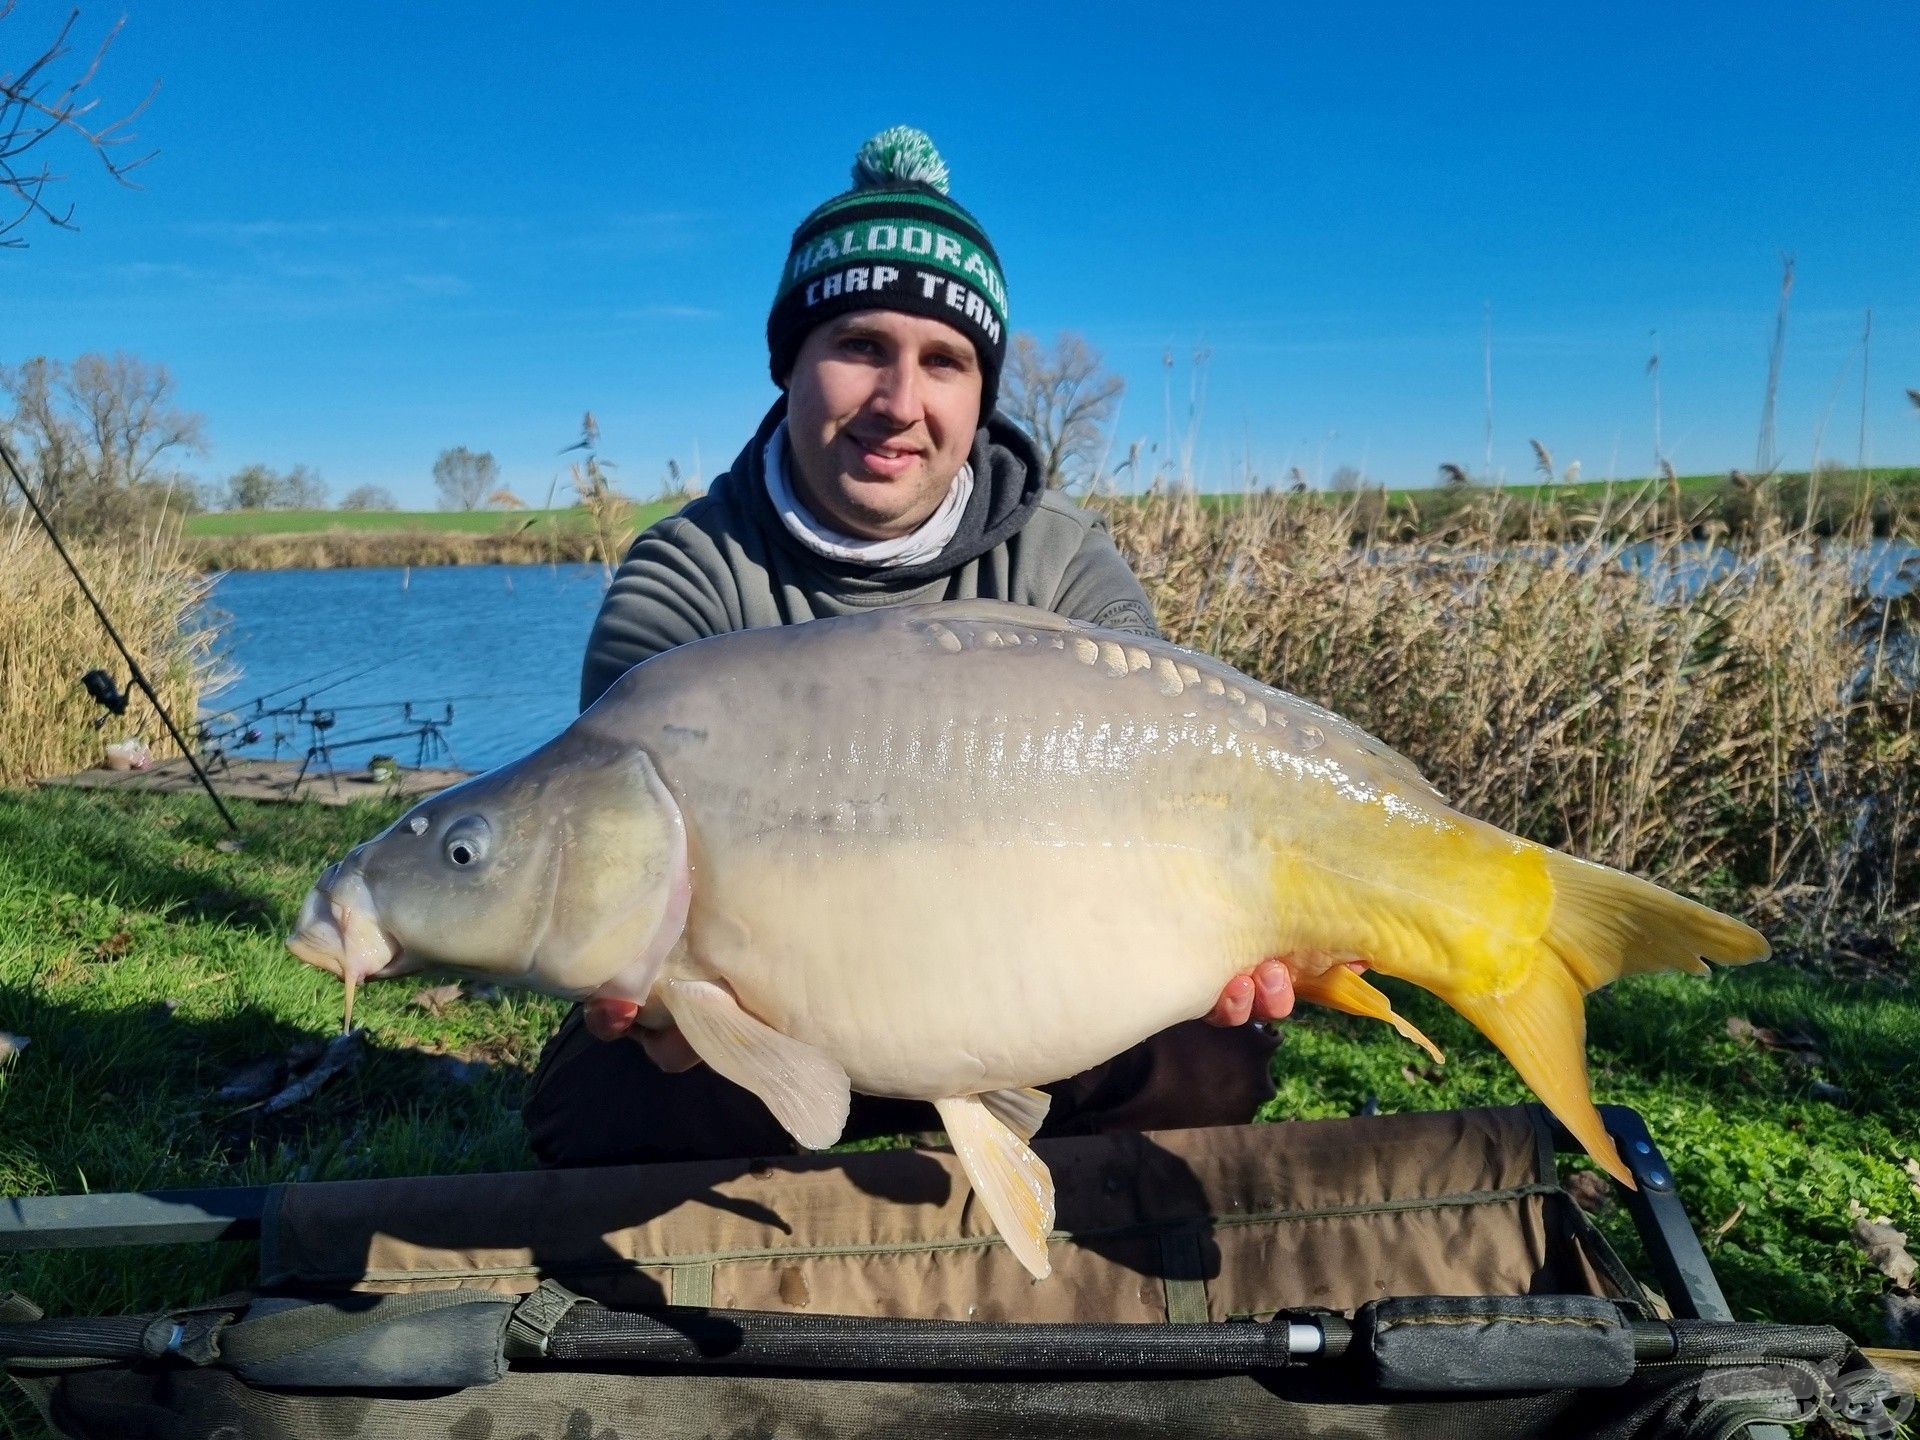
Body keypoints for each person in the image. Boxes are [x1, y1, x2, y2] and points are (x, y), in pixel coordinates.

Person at [525, 127, 1297, 1167]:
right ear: (788, 365)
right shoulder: (688, 573)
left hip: (1037, 996)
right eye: (857, 347)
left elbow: (1174, 803)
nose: (899, 403)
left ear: (982, 393)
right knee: (607, 1105)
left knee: (1212, 1056)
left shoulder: (1064, 565)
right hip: (772, 1022)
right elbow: (621, 876)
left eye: (945, 362)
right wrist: (661, 1007)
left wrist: (1240, 937)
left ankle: (1029, 1206)